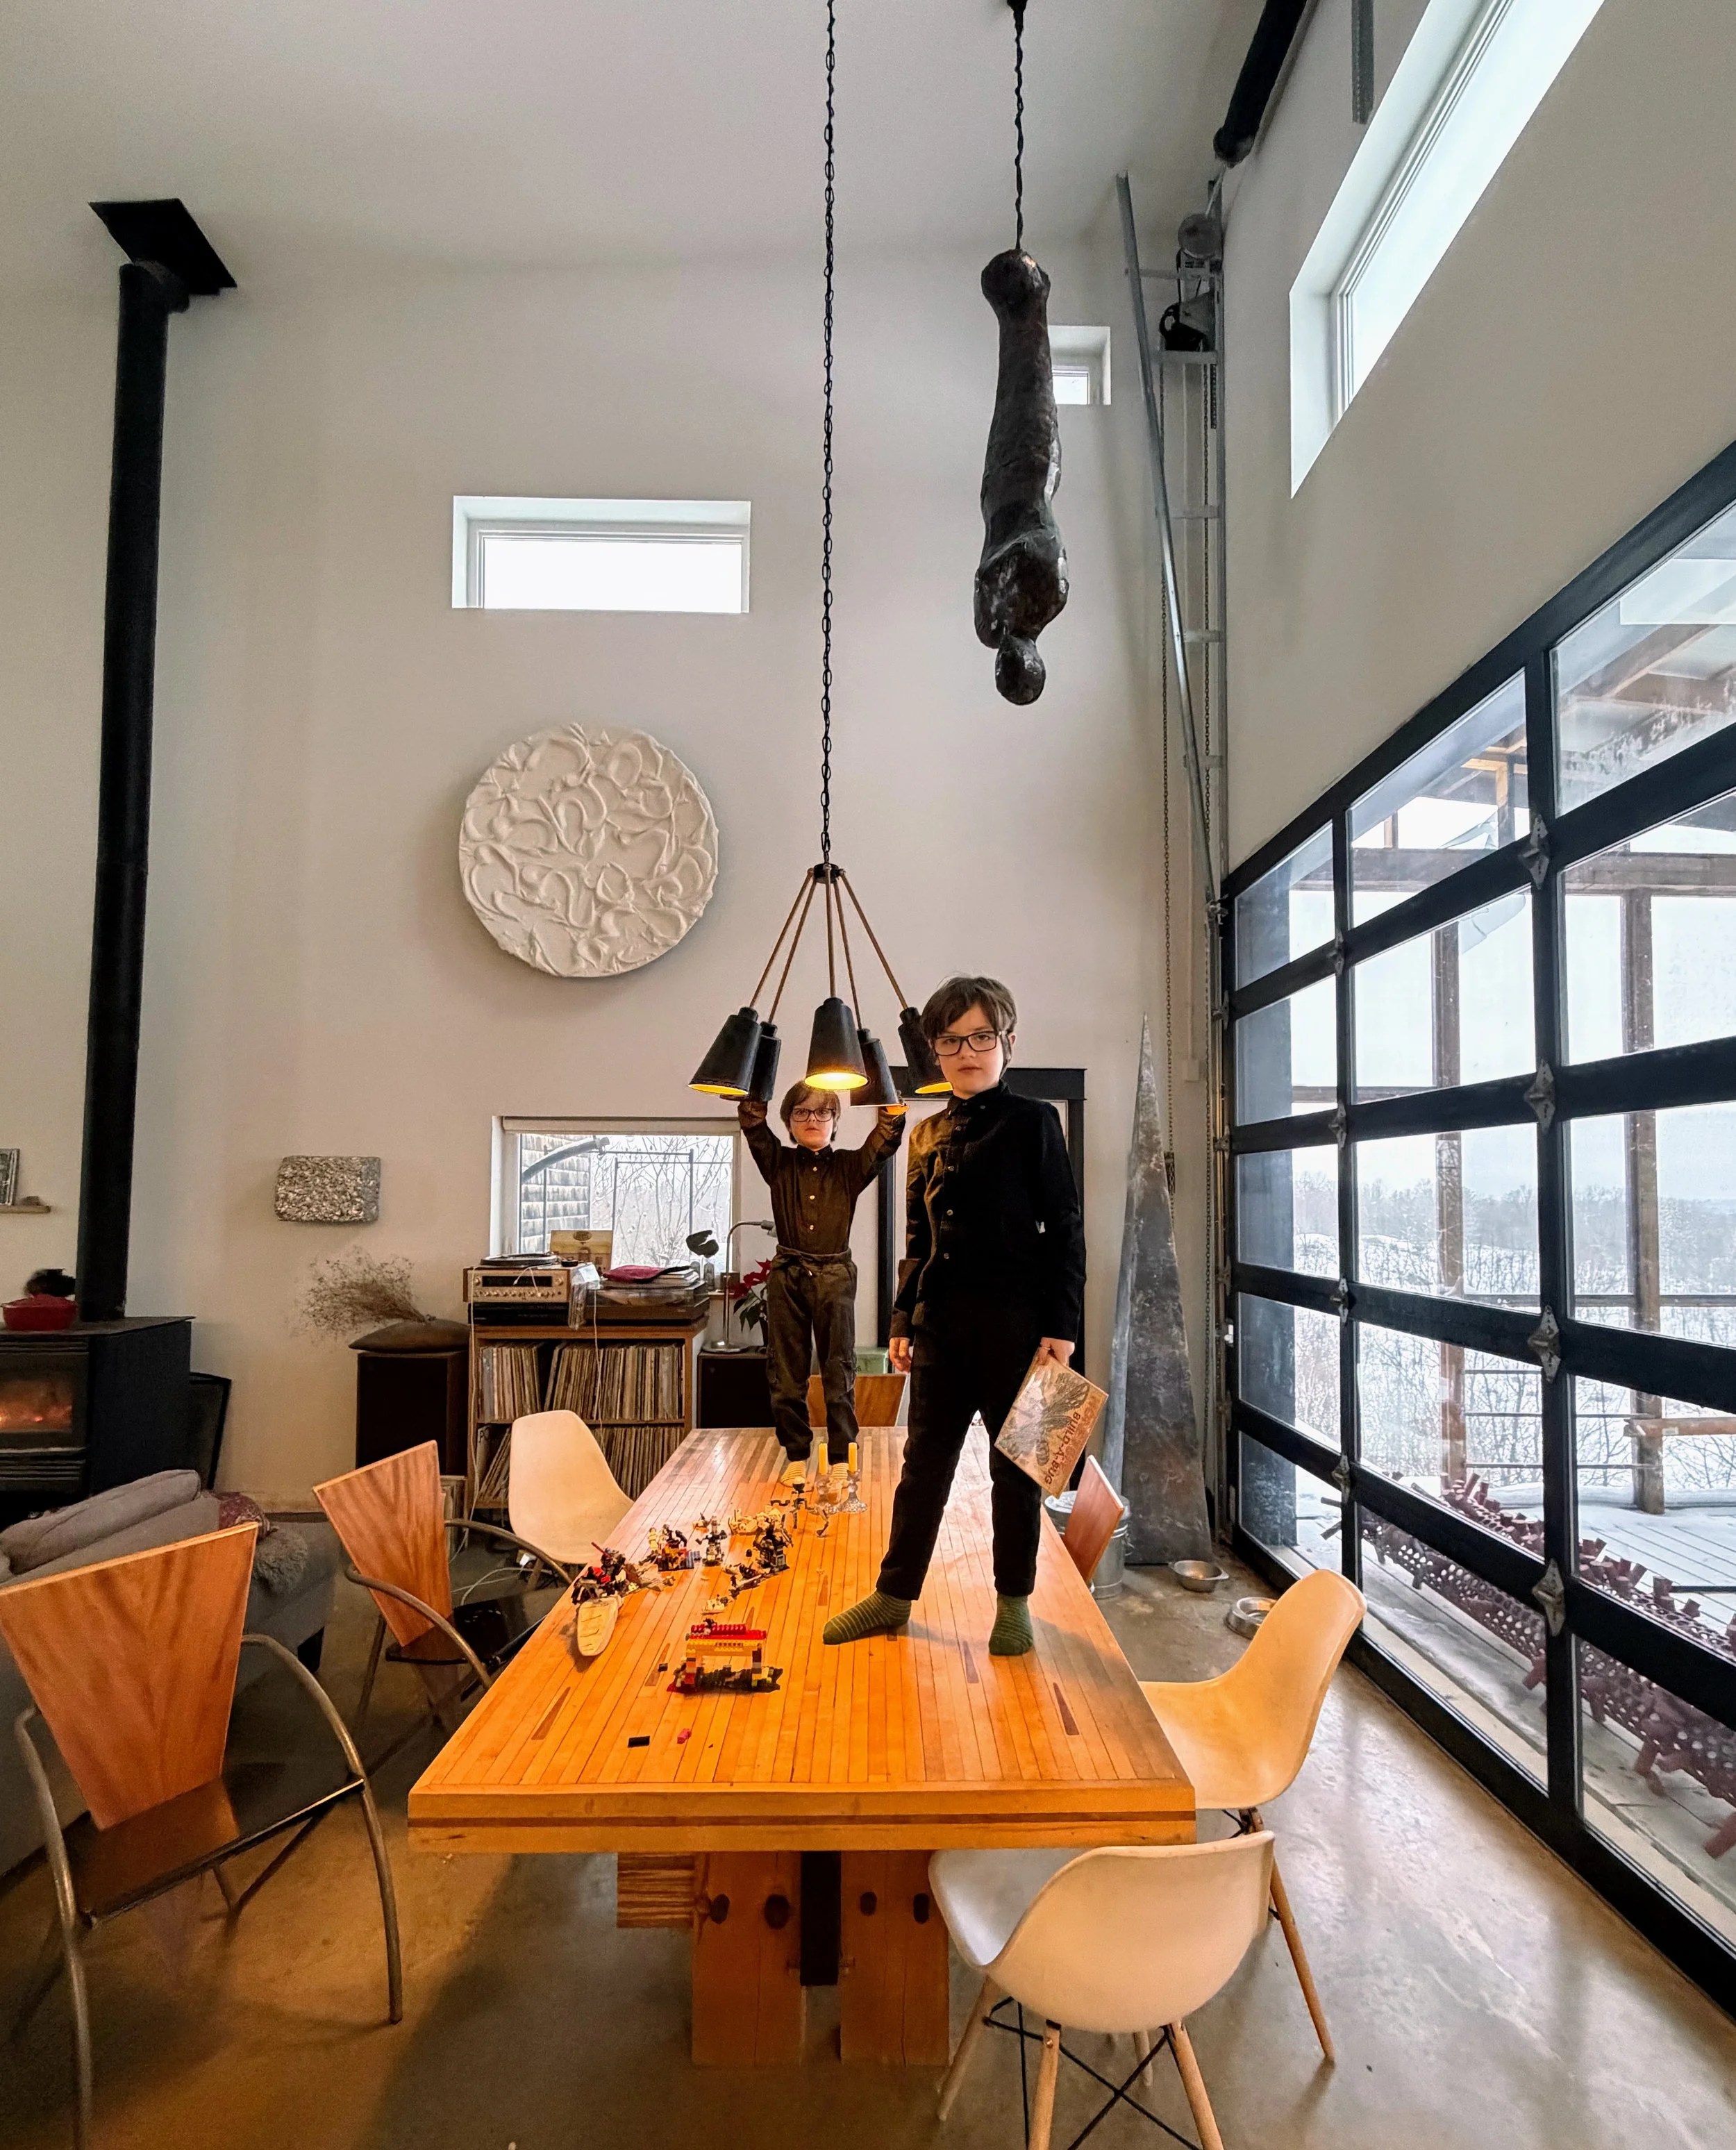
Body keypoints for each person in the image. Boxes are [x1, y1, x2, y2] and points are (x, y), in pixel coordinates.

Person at [823, 975, 1084, 1658]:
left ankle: (1013, 1603)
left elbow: (1063, 1225)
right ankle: (892, 1594)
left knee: (1018, 1471)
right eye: (950, 1039)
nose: (967, 1051)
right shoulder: (926, 1131)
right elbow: (918, 1239)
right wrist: (902, 1321)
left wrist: (1061, 1327)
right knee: (923, 1467)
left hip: (1020, 1331)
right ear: (934, 1051)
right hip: (940, 1330)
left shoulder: (1034, 1122)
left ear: (1007, 1044)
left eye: (981, 1037)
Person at [738, 1080, 905, 1484]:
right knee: (785, 1372)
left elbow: (885, 1139)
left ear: (835, 1121)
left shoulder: (850, 1166)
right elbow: (754, 1125)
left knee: (839, 1370)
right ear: (789, 1123)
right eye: (801, 1113)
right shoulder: (778, 1162)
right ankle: (796, 1454)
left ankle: (840, 1459)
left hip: (835, 1276)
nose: (812, 1120)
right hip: (788, 1277)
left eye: (822, 1112)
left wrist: (888, 1099)